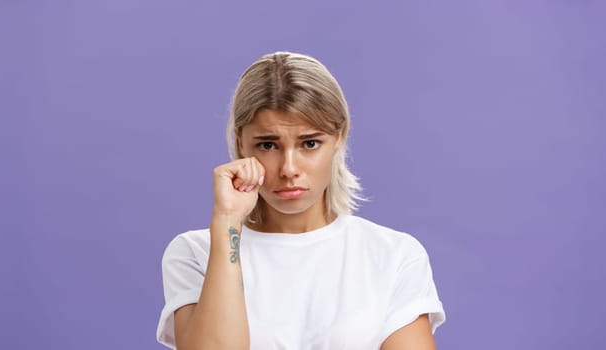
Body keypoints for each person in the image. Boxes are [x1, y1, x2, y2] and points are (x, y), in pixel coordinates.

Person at [156, 51, 446, 349]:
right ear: (240, 141)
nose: (289, 169)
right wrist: (227, 222)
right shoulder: (195, 253)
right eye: (268, 145)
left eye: (310, 143)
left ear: (339, 138)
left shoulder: (393, 255)